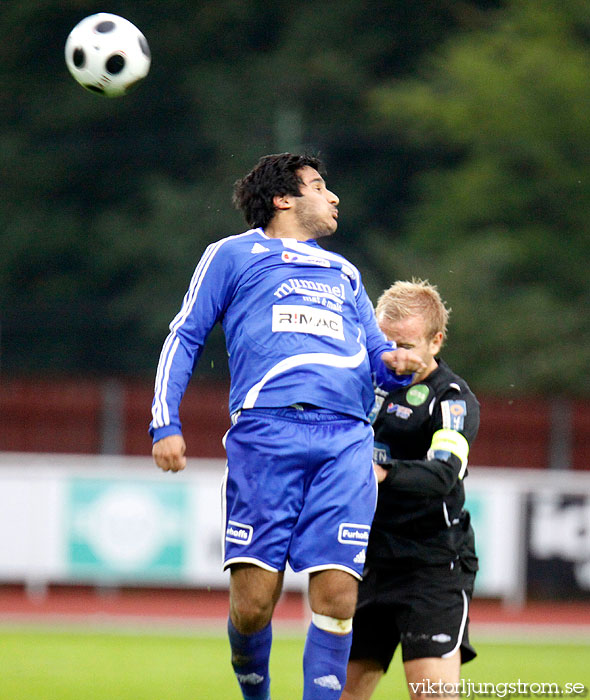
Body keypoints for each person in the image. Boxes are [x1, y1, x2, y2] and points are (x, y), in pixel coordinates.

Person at [149, 153, 426, 700]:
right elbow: (185, 336)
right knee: (252, 607)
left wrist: (395, 369)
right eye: (320, 187)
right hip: (267, 436)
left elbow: (375, 360)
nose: (334, 198)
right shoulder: (231, 255)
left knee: (339, 598)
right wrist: (165, 422)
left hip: (346, 440)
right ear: (284, 199)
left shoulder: (345, 272)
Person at [342, 280, 480, 700]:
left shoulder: (452, 400)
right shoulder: (364, 384)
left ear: (436, 341)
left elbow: (444, 473)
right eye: (387, 342)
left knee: (432, 695)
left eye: (406, 344)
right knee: (341, 694)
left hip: (431, 567)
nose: (395, 355)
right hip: (370, 561)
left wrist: (383, 472)